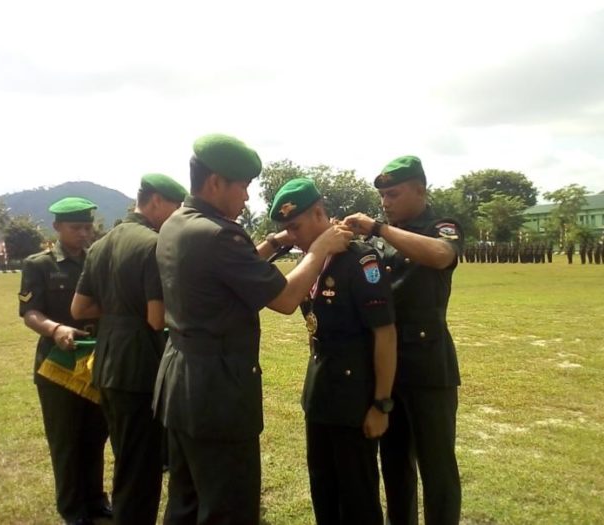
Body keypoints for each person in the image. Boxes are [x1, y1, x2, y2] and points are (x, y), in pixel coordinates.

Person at [153, 133, 353, 525]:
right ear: (215, 183)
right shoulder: (220, 234)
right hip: (217, 395)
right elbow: (282, 298)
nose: (246, 197)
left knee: (186, 502)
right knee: (229, 508)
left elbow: (226, 271)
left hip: (181, 384)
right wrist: (319, 249)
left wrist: (275, 242)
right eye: (242, 186)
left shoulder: (178, 224)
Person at [343, 155, 463, 525]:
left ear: (420, 190)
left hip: (429, 367)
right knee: (395, 465)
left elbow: (442, 256)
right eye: (382, 196)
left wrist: (378, 228)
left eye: (393, 194)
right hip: (387, 369)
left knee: (436, 464)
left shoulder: (440, 227)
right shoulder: (381, 239)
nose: (385, 202)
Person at [270, 178, 397, 525]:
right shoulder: (312, 261)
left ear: (319, 213)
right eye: (287, 229)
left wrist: (381, 404)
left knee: (358, 497)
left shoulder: (360, 259)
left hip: (355, 399)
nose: (292, 236)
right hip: (321, 393)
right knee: (323, 490)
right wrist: (283, 241)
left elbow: (384, 334)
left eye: (295, 226)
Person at [71, 174, 187, 524]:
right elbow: (155, 319)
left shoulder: (102, 245)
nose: (177, 214)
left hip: (106, 364)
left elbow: (80, 309)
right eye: (174, 206)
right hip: (139, 367)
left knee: (125, 458)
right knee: (142, 468)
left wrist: (120, 311)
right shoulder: (152, 244)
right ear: (155, 201)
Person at [18, 197, 110, 525]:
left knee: (95, 435)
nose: (84, 234)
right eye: (76, 228)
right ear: (57, 227)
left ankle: (97, 500)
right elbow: (30, 313)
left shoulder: (97, 260)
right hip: (57, 365)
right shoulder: (40, 264)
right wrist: (55, 329)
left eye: (88, 227)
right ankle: (73, 510)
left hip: (94, 361)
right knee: (65, 439)